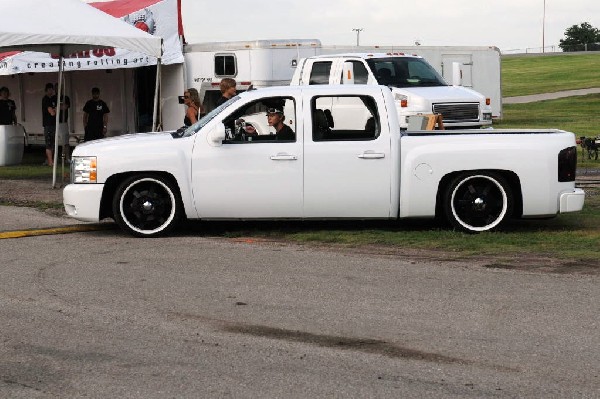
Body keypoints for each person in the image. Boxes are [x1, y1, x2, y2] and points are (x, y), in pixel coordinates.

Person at [42, 82, 57, 166]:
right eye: (49, 89)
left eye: (52, 89)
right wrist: (54, 110)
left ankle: (51, 160)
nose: (51, 91)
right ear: (46, 90)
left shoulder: (54, 98)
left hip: (54, 123)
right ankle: (50, 162)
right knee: (49, 143)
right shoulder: (45, 99)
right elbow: (52, 112)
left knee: (53, 143)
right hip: (48, 124)